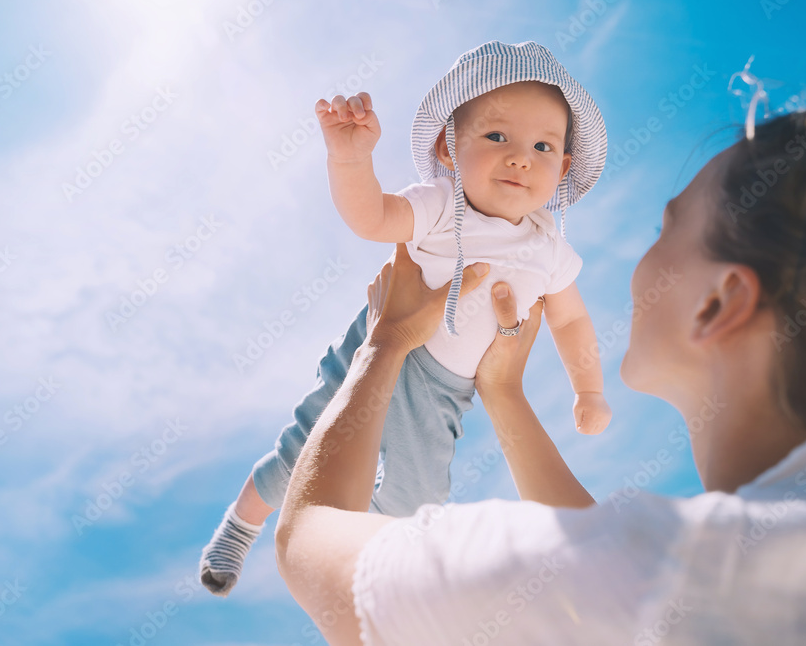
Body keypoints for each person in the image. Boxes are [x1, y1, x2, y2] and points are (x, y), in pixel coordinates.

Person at [274, 103, 806, 645]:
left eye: (666, 229)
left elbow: (307, 540)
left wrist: (385, 341)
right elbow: (597, 549)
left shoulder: (691, 574)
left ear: (716, 304)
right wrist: (504, 391)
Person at [199, 41, 614, 596]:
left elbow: (569, 323)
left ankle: (369, 577)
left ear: (562, 168)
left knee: (417, 496)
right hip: (375, 345)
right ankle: (241, 524)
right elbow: (373, 218)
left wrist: (589, 390)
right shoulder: (443, 204)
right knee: (304, 450)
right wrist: (350, 161)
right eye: (497, 137)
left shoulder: (550, 248)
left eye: (543, 146)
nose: (520, 157)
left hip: (444, 388)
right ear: (449, 147)